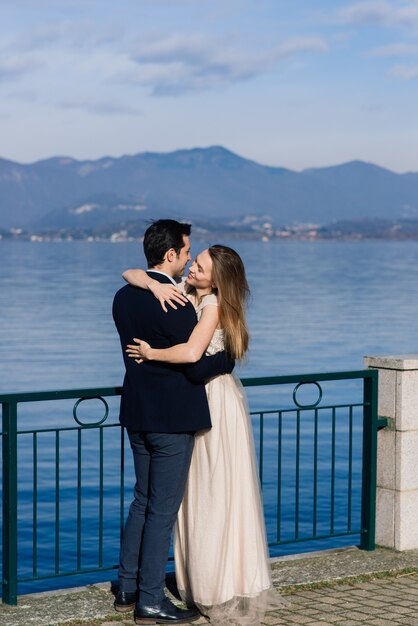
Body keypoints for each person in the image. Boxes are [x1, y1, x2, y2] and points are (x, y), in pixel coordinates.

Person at [124, 244, 285, 626]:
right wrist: (151, 282)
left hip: (215, 403)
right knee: (190, 496)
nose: (192, 267)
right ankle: (194, 578)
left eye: (201, 265)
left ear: (218, 278)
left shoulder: (213, 305)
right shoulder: (179, 289)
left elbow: (198, 361)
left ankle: (219, 582)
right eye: (193, 261)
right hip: (191, 403)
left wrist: (151, 353)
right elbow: (129, 274)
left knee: (217, 490)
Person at [112, 220, 235, 625]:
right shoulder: (179, 305)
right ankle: (150, 601)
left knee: (141, 500)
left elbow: (133, 276)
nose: (188, 259)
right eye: (186, 252)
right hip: (172, 419)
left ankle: (127, 587)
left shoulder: (123, 297)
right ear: (171, 255)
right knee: (162, 510)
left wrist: (148, 282)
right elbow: (195, 362)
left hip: (137, 412)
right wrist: (228, 359)